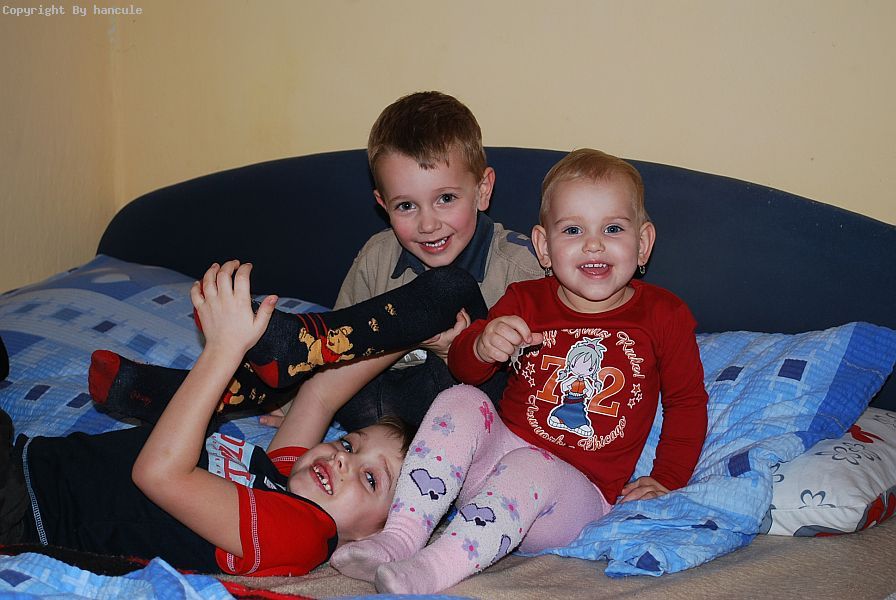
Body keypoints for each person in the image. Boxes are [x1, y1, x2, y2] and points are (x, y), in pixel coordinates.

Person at [330, 149, 709, 594]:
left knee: (533, 465)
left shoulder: (663, 315)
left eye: (613, 229)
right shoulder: (525, 299)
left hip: (575, 497)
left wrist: (667, 478)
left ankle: (434, 568)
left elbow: (686, 403)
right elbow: (466, 371)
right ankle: (400, 538)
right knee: (459, 399)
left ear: (642, 243)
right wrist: (481, 345)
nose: (593, 244)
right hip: (492, 466)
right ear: (544, 247)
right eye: (573, 230)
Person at [0, 261, 416, 576]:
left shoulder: (303, 535)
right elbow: (319, 395)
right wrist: (418, 329)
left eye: (371, 479)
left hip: (25, 512)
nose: (343, 459)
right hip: (25, 464)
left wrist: (223, 349)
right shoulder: (281, 482)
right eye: (349, 443)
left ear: (381, 533)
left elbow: (158, 473)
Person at [263, 90, 544, 433]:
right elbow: (339, 353)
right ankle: (283, 354)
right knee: (348, 373)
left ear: (482, 190)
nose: (428, 224)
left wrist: (455, 353)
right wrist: (294, 407)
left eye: (445, 198)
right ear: (383, 205)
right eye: (406, 206)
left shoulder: (526, 268)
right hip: (388, 413)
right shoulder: (377, 257)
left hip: (479, 415)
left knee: (450, 287)